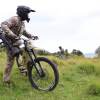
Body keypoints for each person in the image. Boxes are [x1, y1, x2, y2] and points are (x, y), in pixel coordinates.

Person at [0, 5, 37, 84]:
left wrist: (32, 36)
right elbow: (3, 25)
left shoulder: (22, 23)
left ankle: (24, 70)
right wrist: (12, 34)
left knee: (25, 52)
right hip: (9, 42)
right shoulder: (14, 19)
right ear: (23, 13)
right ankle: (6, 81)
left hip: (17, 42)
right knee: (10, 61)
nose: (28, 15)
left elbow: (24, 32)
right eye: (27, 13)